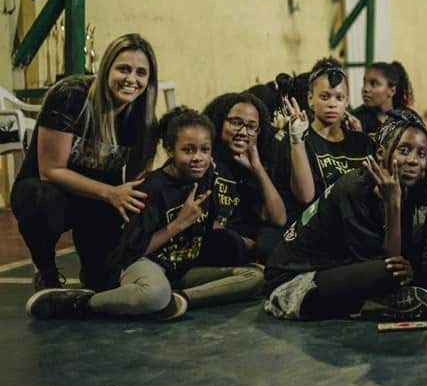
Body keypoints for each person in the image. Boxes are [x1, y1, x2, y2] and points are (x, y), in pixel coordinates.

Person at [26, 108, 263, 320]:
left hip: (179, 270)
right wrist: (178, 224)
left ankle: (181, 300)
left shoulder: (206, 175)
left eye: (204, 150)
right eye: (188, 150)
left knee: (254, 277)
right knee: (154, 295)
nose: (198, 158)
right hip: (144, 264)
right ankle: (80, 303)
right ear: (170, 150)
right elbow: (130, 253)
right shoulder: (151, 189)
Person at [11, 34, 160, 291]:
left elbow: (135, 185)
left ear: (149, 80)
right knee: (40, 201)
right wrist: (111, 193)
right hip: (51, 191)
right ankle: (46, 271)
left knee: (102, 282)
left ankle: (97, 271)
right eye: (123, 69)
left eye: (141, 73)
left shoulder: (144, 121)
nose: (131, 79)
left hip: (98, 202)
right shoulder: (70, 96)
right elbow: (51, 170)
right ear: (107, 69)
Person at [264, 113, 427, 321]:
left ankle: (368, 304)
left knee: (409, 268)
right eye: (404, 150)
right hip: (292, 280)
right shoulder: (355, 189)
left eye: (422, 154)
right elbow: (389, 262)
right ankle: (366, 305)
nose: (414, 160)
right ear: (381, 153)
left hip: (336, 270)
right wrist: (393, 204)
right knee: (389, 271)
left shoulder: (405, 188)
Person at [203, 92, 287, 264]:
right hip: (219, 245)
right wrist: (247, 244)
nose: (243, 132)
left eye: (251, 126)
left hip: (247, 245)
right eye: (236, 123)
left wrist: (257, 169)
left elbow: (279, 219)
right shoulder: (206, 160)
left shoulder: (261, 162)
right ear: (220, 122)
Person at [284, 61, 375, 207]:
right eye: (324, 97)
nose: (332, 104)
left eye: (339, 97)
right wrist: (297, 141)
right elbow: (305, 197)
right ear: (310, 98)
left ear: (347, 101)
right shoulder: (302, 141)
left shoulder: (363, 142)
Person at [351, 61, 415, 139]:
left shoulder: (407, 120)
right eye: (364, 83)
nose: (365, 89)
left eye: (374, 84)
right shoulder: (355, 120)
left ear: (392, 91)